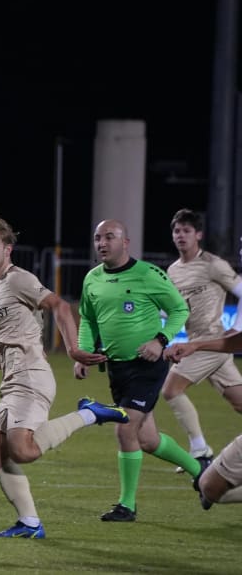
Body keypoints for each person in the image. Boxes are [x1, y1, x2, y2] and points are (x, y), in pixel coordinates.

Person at [0, 218, 121, 539]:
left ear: (8, 250)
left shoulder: (18, 280)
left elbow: (61, 306)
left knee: (23, 450)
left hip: (31, 376)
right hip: (13, 379)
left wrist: (73, 349)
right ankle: (30, 524)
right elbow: (9, 348)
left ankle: (89, 413)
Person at [75, 218, 204, 522]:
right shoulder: (92, 278)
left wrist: (160, 340)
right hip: (117, 368)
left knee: (124, 429)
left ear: (125, 242)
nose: (102, 243)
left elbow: (179, 309)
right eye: (97, 238)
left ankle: (127, 506)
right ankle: (202, 472)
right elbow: (87, 319)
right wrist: (82, 354)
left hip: (147, 366)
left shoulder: (148, 274)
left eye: (109, 237)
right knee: (148, 440)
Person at [162, 209, 242, 471]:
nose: (181, 236)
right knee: (238, 401)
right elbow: (173, 308)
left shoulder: (212, 264)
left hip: (211, 342)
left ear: (198, 234)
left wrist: (237, 328)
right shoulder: (173, 271)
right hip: (198, 341)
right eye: (177, 231)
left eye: (186, 231)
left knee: (171, 389)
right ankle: (200, 450)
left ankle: (200, 451)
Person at [165, 320, 242, 509]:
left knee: (171, 390)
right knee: (209, 488)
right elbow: (236, 342)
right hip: (206, 342)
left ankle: (199, 447)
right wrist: (196, 345)